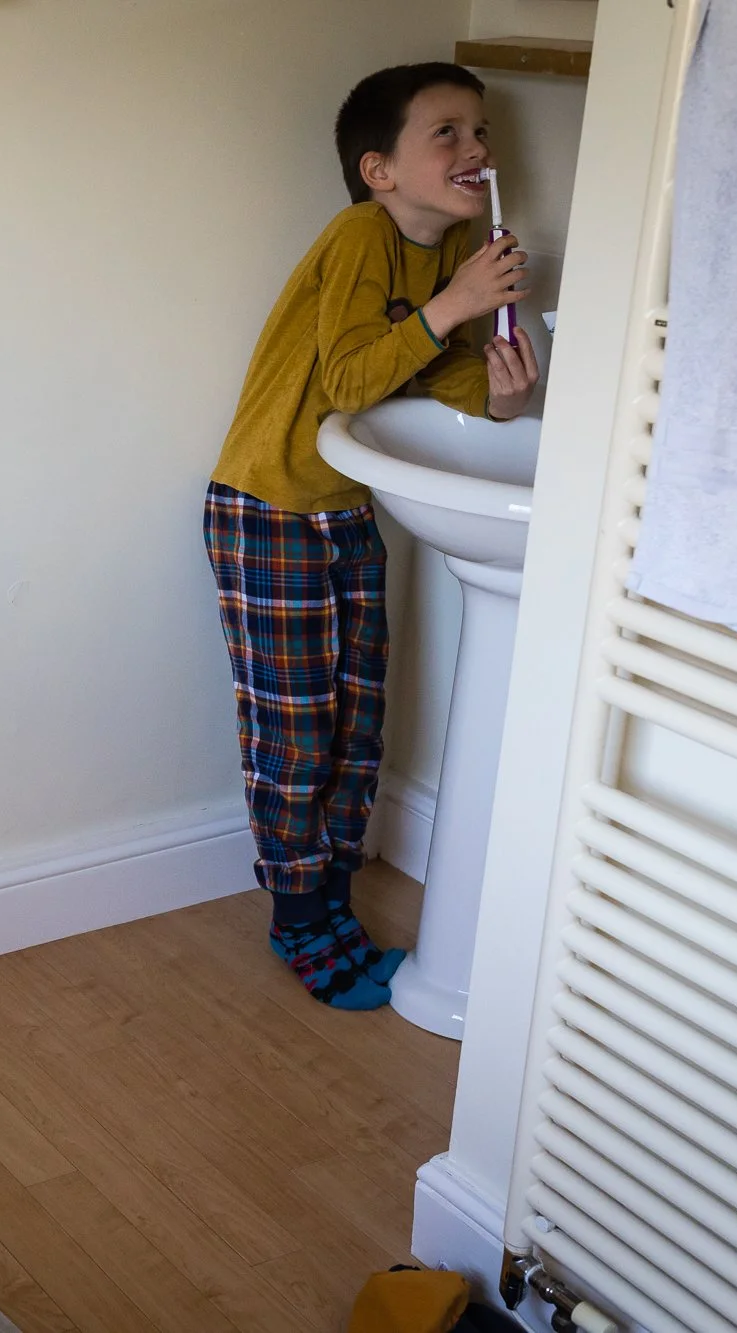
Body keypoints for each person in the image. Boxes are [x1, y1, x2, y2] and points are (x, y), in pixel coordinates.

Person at [205, 63, 538, 1009]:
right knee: (297, 731)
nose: (476, 149)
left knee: (356, 721)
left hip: (344, 507)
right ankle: (299, 919)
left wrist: (503, 392)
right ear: (379, 169)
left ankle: (333, 905)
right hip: (268, 506)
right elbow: (353, 381)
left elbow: (441, 380)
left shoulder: (459, 248)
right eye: (448, 133)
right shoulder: (360, 234)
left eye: (480, 131)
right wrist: (456, 304)